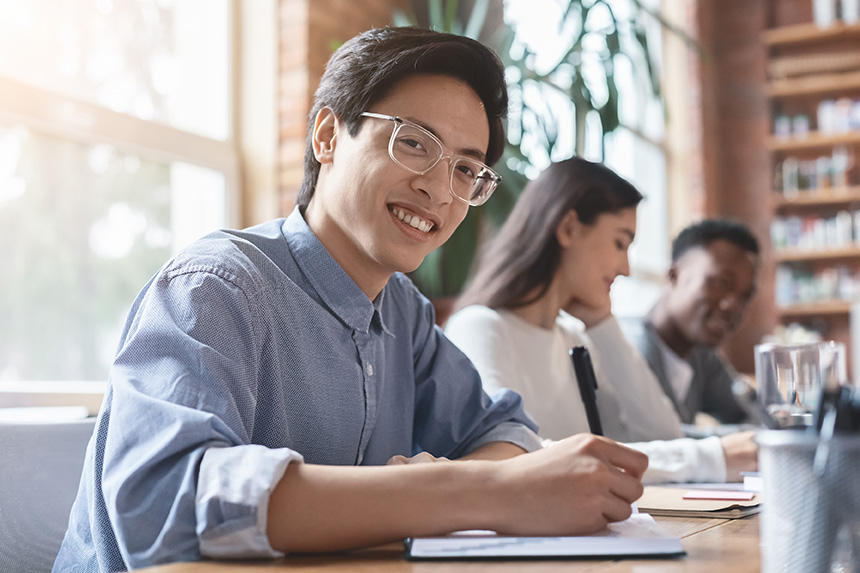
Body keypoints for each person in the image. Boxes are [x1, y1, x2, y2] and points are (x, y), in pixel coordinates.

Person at [53, 28, 649, 572]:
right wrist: (480, 492)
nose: (440, 190)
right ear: (328, 135)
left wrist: (466, 481)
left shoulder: (402, 311)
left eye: (466, 170)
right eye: (414, 143)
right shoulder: (215, 286)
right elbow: (170, 507)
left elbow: (505, 429)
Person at [446, 157, 757, 484]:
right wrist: (710, 458)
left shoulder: (574, 337)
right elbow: (519, 458)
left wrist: (602, 325)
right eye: (620, 243)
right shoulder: (481, 328)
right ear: (568, 228)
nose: (625, 268)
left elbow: (662, 434)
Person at [618, 219, 760, 426]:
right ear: (674, 276)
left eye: (745, 296)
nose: (734, 306)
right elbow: (659, 442)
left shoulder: (701, 357)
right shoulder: (629, 349)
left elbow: (752, 414)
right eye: (722, 283)